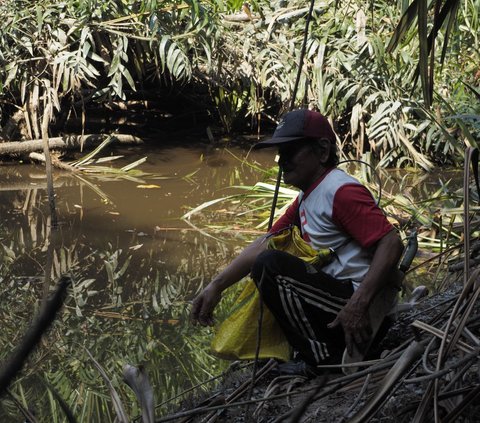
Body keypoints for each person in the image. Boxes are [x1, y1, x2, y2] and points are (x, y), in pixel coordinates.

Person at [191, 109, 404, 373]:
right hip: (334, 303)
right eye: (281, 154)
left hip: (360, 311)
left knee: (271, 266)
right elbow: (264, 243)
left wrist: (358, 304)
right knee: (269, 260)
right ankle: (312, 352)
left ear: (322, 150)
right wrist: (217, 285)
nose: (282, 162)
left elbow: (391, 243)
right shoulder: (307, 197)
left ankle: (323, 361)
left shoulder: (340, 191)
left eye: (290, 152)